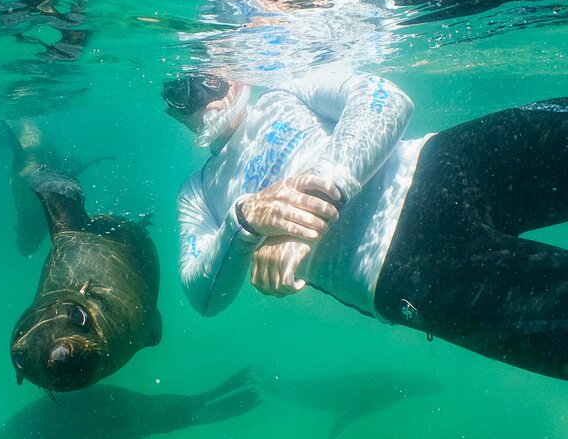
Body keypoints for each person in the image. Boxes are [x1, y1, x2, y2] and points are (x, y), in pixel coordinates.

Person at [162, 69, 568, 381]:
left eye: (210, 80)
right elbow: (204, 297)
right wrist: (244, 221)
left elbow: (386, 98)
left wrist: (318, 204)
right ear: (173, 113)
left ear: (233, 74)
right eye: (179, 92)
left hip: (440, 162)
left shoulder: (285, 89)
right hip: (402, 268)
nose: (201, 97)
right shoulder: (196, 193)